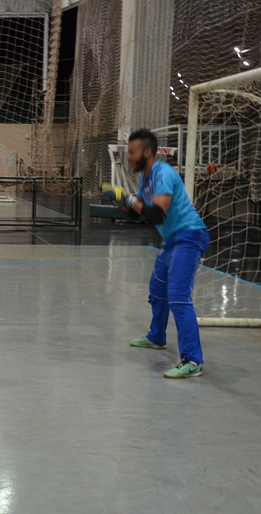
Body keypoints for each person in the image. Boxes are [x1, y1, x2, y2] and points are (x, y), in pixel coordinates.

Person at [102, 129, 210, 379]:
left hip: (190, 235)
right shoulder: (146, 179)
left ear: (147, 152)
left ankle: (193, 360)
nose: (128, 157)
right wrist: (119, 199)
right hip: (173, 238)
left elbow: (156, 214)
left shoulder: (163, 173)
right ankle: (157, 336)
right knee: (157, 288)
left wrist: (128, 198)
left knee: (178, 296)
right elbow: (139, 212)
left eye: (132, 152)